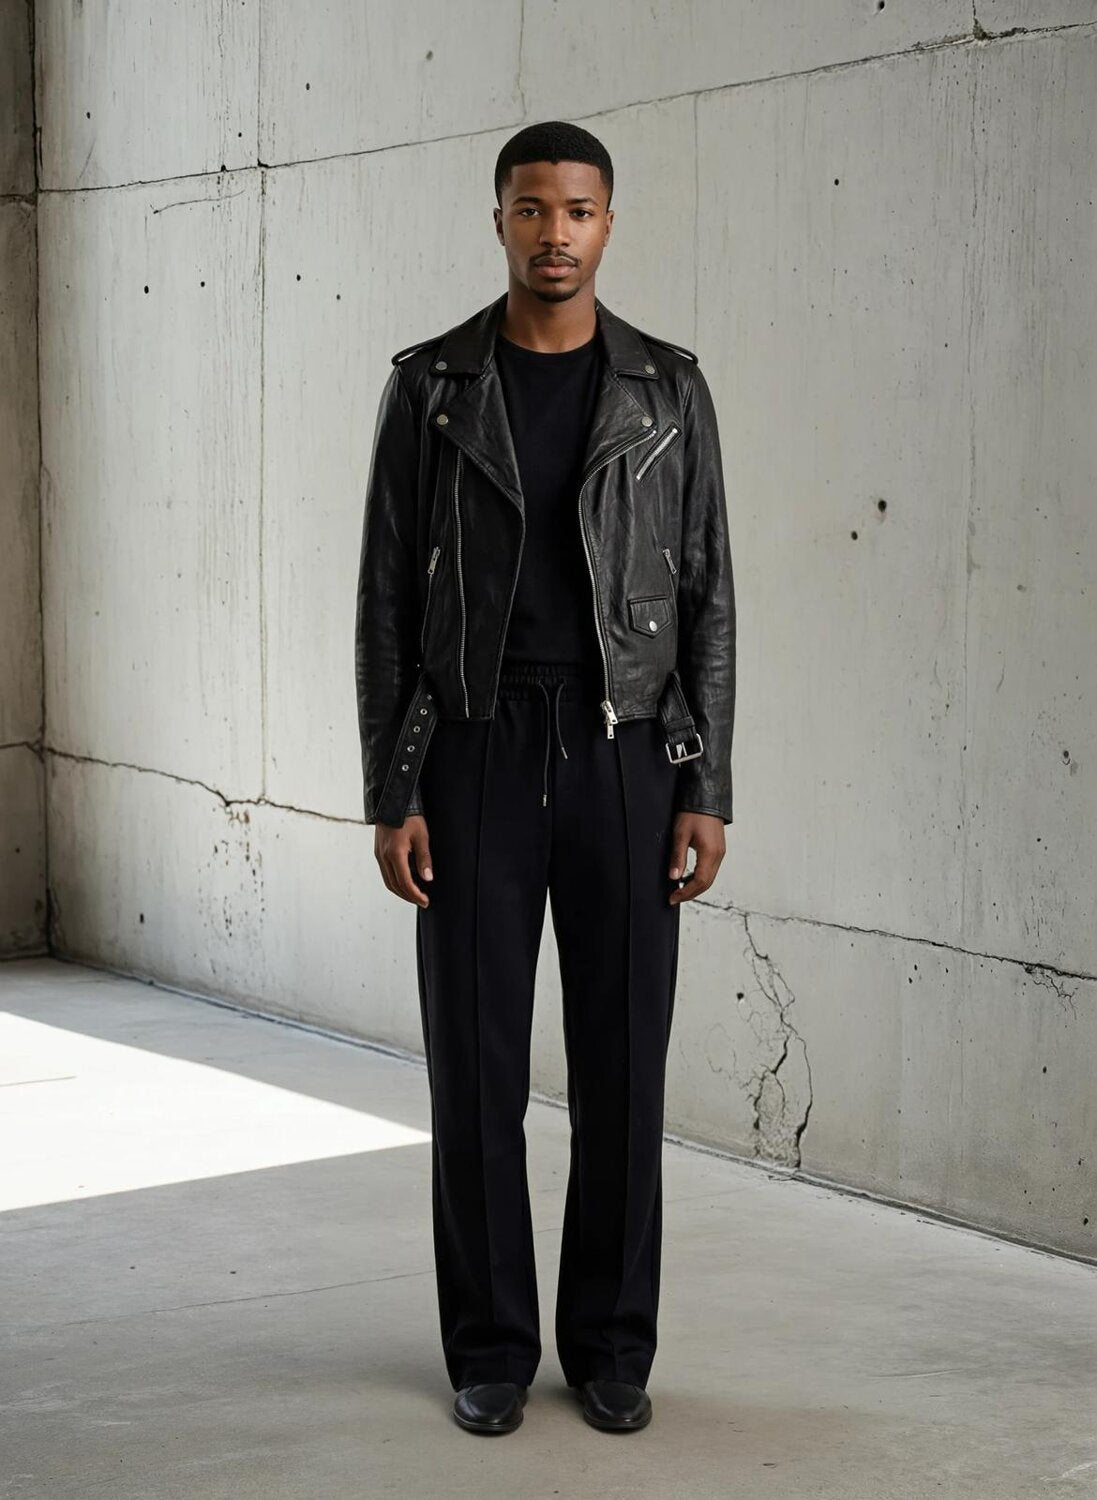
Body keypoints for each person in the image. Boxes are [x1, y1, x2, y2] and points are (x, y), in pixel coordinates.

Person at [354, 120, 735, 1435]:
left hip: (630, 751)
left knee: (624, 1068)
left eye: (577, 210)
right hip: (474, 746)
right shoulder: (432, 387)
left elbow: (707, 596)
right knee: (475, 1069)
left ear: (608, 222)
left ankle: (613, 1348)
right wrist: (392, 789)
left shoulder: (667, 390)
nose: (554, 233)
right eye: (532, 209)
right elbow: (385, 602)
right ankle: (490, 1349)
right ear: (500, 220)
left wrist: (707, 786)